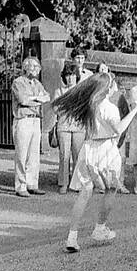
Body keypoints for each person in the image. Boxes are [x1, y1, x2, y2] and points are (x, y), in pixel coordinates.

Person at [53, 71, 125, 252]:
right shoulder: (109, 108)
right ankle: (100, 227)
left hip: (89, 148)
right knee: (111, 188)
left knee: (85, 191)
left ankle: (72, 236)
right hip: (106, 149)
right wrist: (135, 109)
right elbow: (119, 130)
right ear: (107, 88)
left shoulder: (89, 105)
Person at [12, 57, 49, 197]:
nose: (35, 69)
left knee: (34, 154)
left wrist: (33, 99)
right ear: (25, 67)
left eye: (37, 67)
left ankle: (32, 183)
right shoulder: (18, 82)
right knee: (22, 154)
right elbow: (23, 100)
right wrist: (37, 99)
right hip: (23, 119)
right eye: (32, 66)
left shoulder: (38, 83)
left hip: (36, 120)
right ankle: (20, 186)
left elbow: (47, 97)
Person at [52, 64, 87, 195]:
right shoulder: (59, 91)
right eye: (68, 75)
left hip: (78, 127)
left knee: (78, 156)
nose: (70, 78)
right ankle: (63, 183)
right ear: (64, 77)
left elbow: (83, 109)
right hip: (64, 127)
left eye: (73, 75)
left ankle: (77, 182)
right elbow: (56, 109)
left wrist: (68, 107)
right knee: (64, 155)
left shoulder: (81, 91)